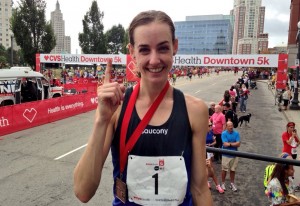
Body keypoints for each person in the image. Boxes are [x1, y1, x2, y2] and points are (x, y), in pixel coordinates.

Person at [73, 10, 213, 205]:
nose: (154, 60)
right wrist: (101, 120)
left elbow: (200, 190)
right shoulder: (117, 108)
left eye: (163, 48)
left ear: (175, 46)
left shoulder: (195, 110)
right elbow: (82, 191)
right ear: (132, 52)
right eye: (144, 50)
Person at [220, 121, 241, 192]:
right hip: (226, 154)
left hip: (234, 155)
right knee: (224, 169)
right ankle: (223, 183)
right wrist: (234, 144)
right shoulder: (223, 133)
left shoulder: (236, 133)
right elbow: (225, 144)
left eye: (231, 125)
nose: (231, 127)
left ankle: (232, 183)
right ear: (226, 126)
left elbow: (238, 144)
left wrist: (230, 144)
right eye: (229, 126)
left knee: (233, 170)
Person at [206, 121, 224, 194]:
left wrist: (211, 145)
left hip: (210, 151)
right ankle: (217, 185)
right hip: (204, 153)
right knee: (210, 169)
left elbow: (215, 142)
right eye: (209, 125)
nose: (211, 126)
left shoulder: (211, 132)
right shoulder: (201, 133)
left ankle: (207, 182)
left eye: (211, 125)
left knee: (209, 168)